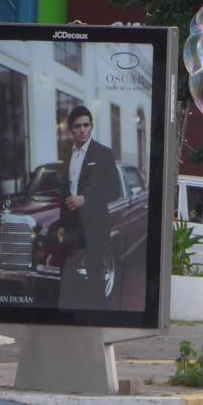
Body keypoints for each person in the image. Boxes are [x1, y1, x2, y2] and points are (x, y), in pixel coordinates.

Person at [57, 105, 120, 309]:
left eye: (86, 125)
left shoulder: (103, 153)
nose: (82, 130)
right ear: (71, 129)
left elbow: (114, 190)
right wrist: (61, 223)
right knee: (70, 274)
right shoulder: (68, 153)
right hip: (72, 225)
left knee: (95, 275)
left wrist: (85, 199)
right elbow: (65, 190)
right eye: (77, 126)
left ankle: (98, 321)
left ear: (91, 127)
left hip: (95, 223)